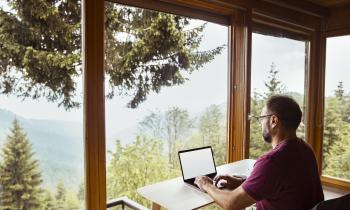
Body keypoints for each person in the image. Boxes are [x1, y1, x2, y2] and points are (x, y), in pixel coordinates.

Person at [194, 95, 324, 210]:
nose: (260, 124)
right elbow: (280, 186)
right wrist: (241, 183)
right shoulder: (305, 149)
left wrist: (206, 185)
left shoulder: (272, 161)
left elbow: (231, 204)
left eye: (261, 118)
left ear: (273, 121)